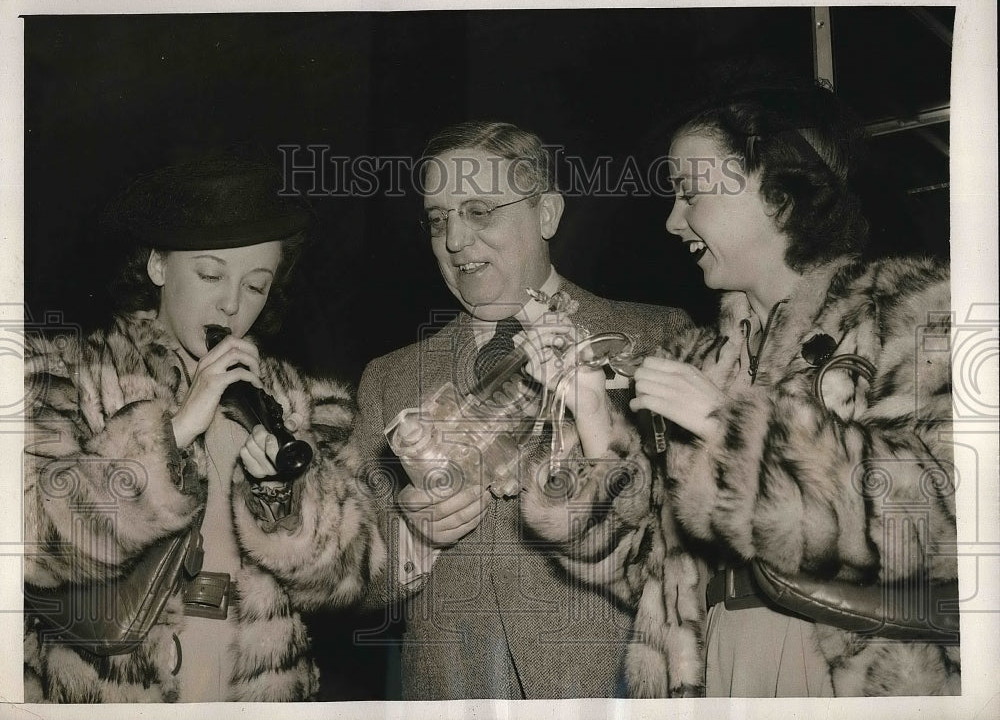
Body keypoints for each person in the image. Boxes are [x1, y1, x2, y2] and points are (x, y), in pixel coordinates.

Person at [520, 83, 959, 697]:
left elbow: (938, 523)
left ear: (776, 192)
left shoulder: (911, 308)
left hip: (847, 668)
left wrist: (727, 422)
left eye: (689, 193)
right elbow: (645, 569)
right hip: (714, 666)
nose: (673, 221)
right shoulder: (696, 357)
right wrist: (591, 407)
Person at [23, 156, 385, 702]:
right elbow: (29, 542)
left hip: (254, 687)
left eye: (256, 286)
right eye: (211, 274)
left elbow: (358, 576)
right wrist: (173, 429)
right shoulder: (67, 376)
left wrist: (280, 498)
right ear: (158, 265)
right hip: (113, 691)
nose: (233, 304)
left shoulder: (303, 404)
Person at [350, 121, 692, 699]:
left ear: (547, 214)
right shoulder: (388, 377)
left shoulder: (655, 335)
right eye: (438, 219)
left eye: (479, 211)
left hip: (606, 689)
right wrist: (413, 536)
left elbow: (686, 539)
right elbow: (351, 574)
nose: (454, 239)